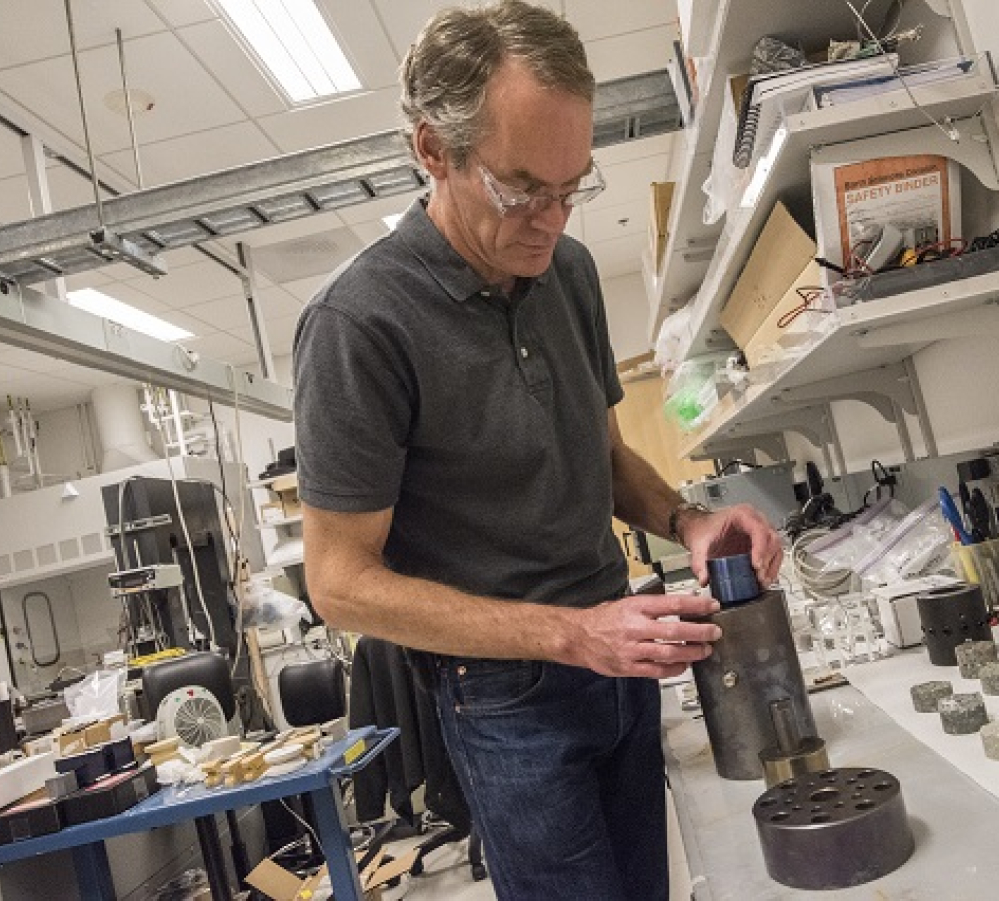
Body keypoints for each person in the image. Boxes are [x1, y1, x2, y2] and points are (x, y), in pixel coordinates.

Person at [293, 2, 782, 898]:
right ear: (432, 151)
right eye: (522, 189)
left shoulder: (569, 273)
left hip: (616, 656)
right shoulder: (358, 325)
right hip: (506, 699)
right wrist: (570, 633)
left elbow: (602, 457)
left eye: (573, 188)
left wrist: (687, 519)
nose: (552, 221)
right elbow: (339, 583)